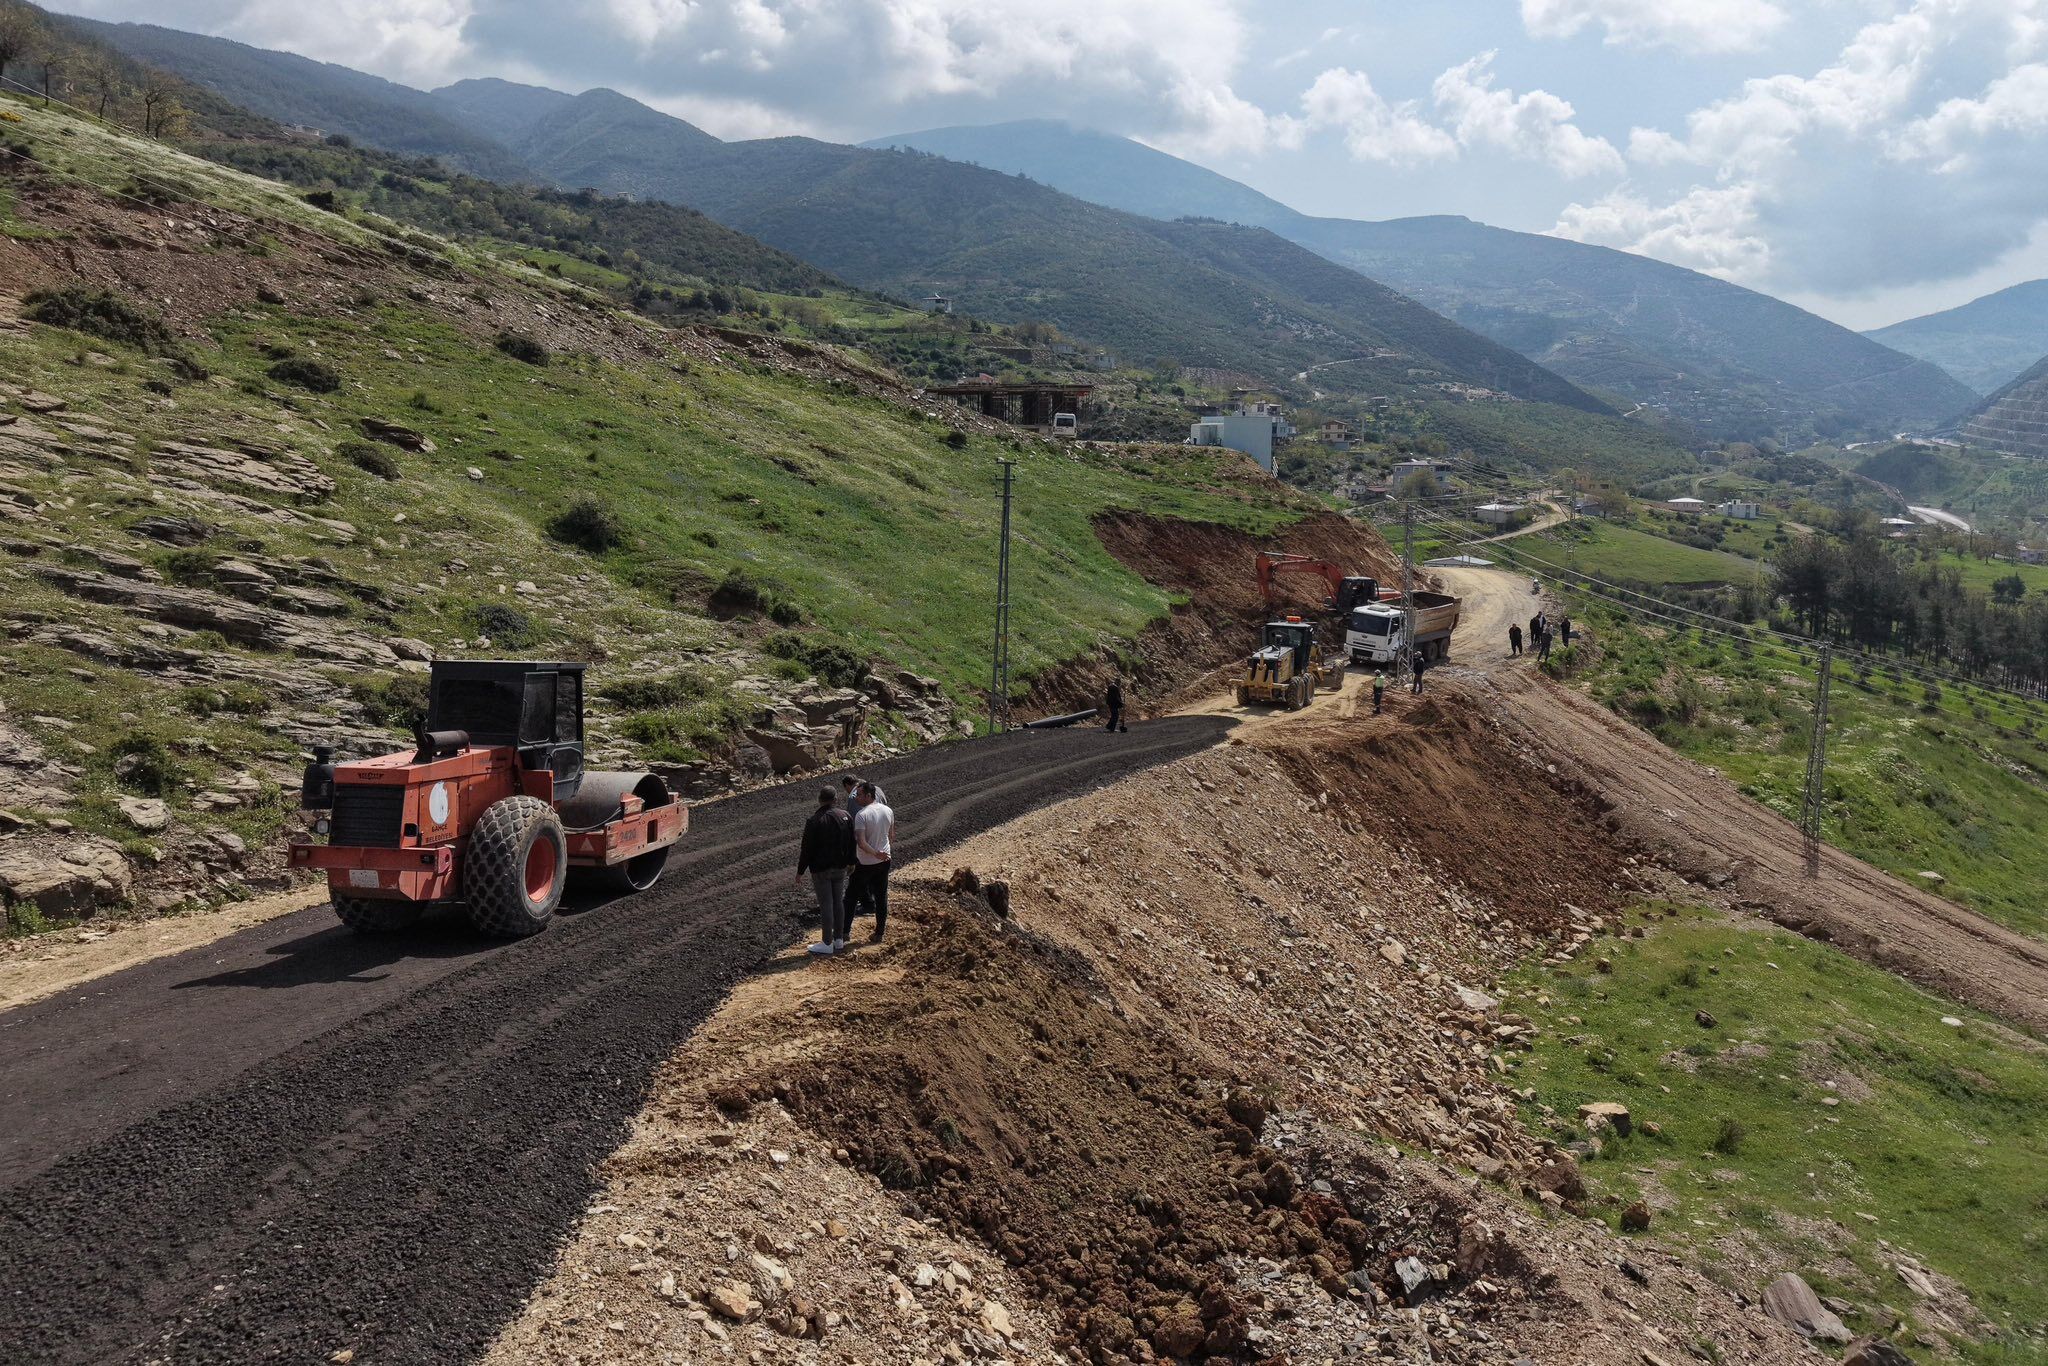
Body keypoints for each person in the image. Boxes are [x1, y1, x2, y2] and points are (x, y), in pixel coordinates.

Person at [795, 787, 855, 956]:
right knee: (838, 902)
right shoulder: (846, 816)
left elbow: (806, 849)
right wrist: (852, 862)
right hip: (841, 867)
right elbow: (852, 841)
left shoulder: (814, 820)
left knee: (826, 904)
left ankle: (826, 942)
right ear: (835, 799)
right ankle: (839, 940)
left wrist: (800, 871)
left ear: (819, 799)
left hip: (821, 869)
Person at [851, 780, 895, 942]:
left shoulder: (861, 815)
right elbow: (891, 836)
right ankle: (879, 933)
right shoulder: (888, 810)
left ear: (868, 796)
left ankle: (843, 934)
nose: (856, 797)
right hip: (885, 861)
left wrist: (876, 853)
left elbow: (861, 843)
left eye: (859, 795)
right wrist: (883, 852)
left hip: (866, 862)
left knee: (851, 896)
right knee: (881, 896)